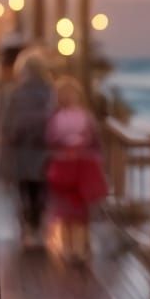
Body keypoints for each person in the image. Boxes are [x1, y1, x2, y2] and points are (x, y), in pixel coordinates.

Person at [46, 76, 108, 263]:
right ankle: (79, 249)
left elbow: (49, 139)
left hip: (62, 166)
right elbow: (95, 141)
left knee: (64, 210)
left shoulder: (55, 118)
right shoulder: (86, 117)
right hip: (82, 167)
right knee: (80, 211)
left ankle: (67, 248)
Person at [0, 56, 56, 248]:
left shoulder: (15, 92)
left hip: (21, 147)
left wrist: (6, 138)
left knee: (23, 188)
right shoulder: (50, 92)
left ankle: (27, 228)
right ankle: (38, 224)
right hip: (44, 146)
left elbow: (6, 120)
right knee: (41, 187)